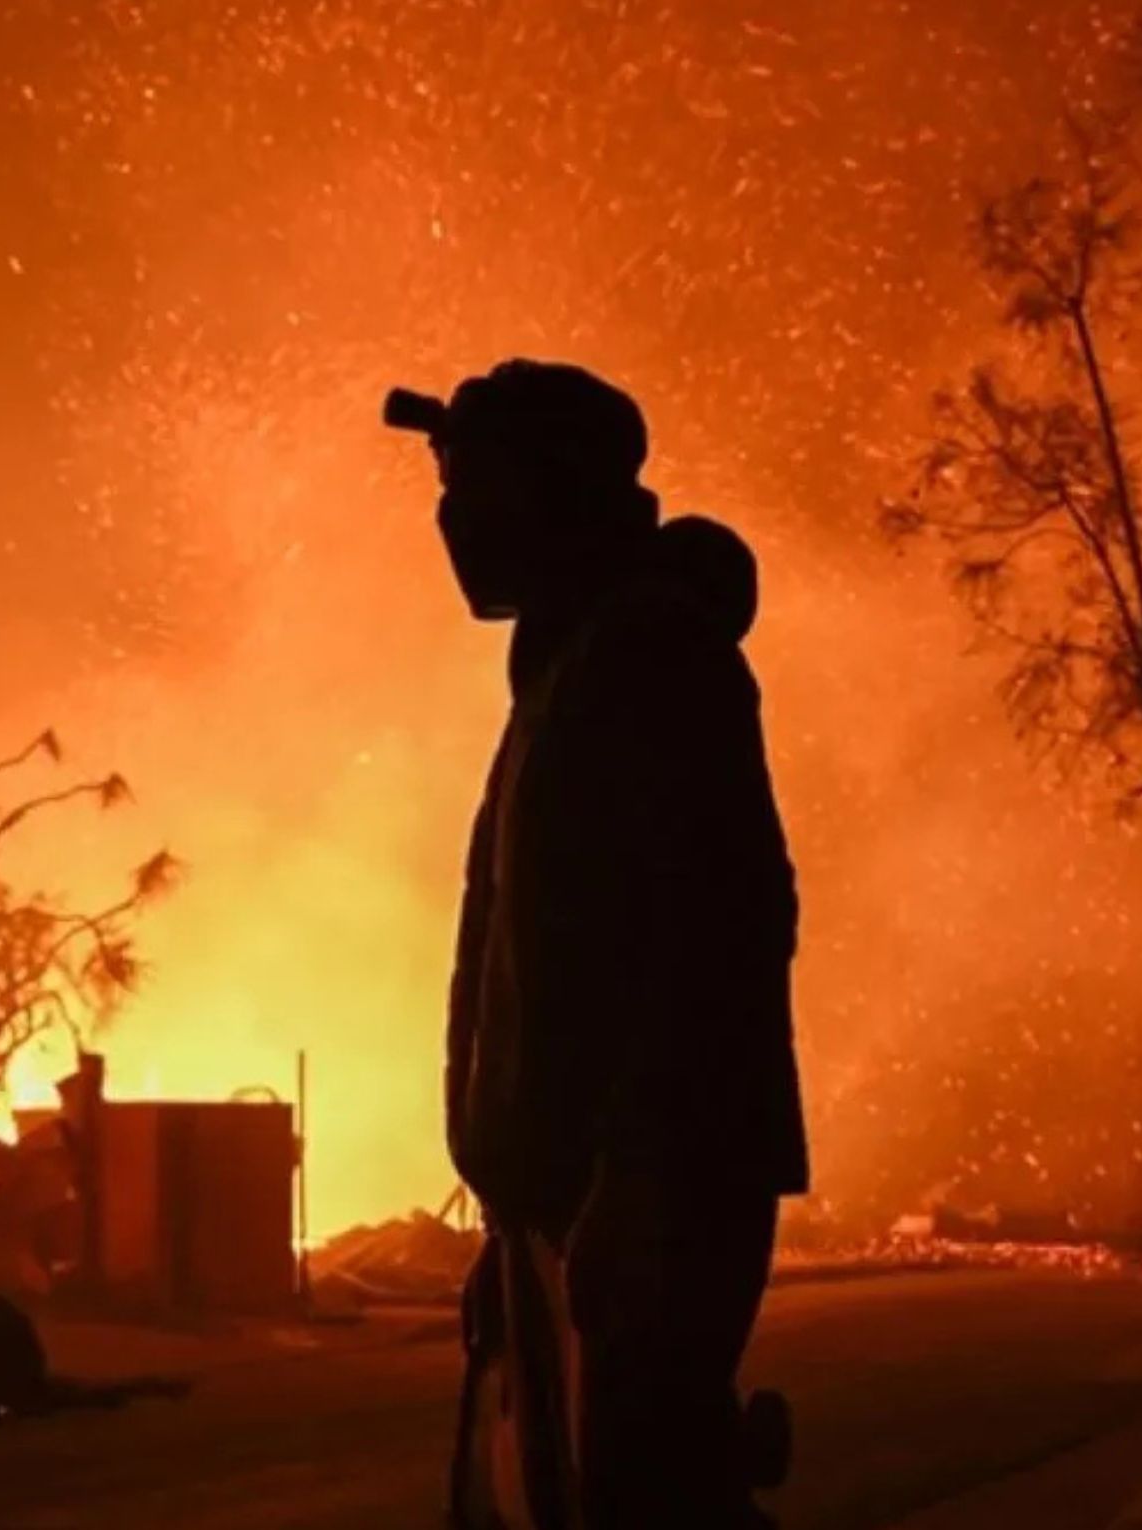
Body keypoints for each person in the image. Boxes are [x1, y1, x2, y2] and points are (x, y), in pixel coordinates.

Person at [395, 360, 808, 1529]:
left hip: (647, 1186)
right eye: (445, 485)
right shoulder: (568, 668)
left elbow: (719, 928)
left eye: (475, 484)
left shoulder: (645, 657)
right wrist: (512, 1209)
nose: (452, 519)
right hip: (574, 1194)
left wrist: (635, 1172)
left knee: (649, 1504)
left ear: (558, 491)